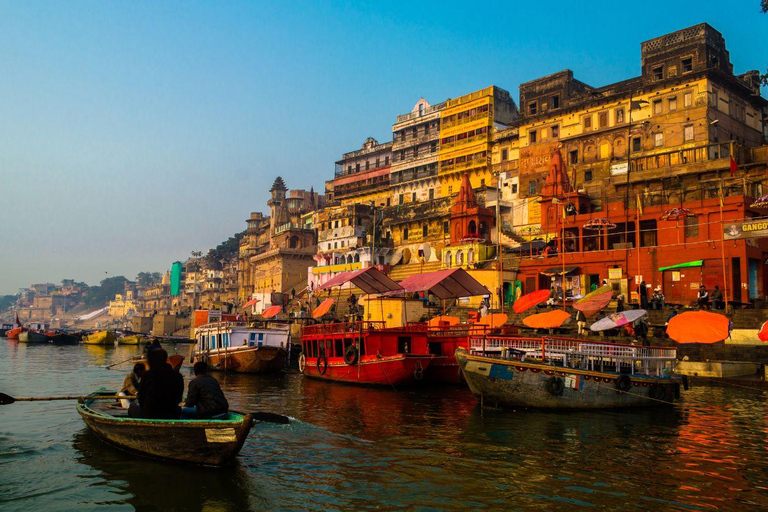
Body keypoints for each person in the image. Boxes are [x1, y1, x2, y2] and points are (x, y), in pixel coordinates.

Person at [131, 348, 184, 419]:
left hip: (150, 415)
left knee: (132, 407)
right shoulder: (178, 376)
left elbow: (141, 397)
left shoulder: (148, 375)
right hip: (173, 414)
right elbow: (179, 398)